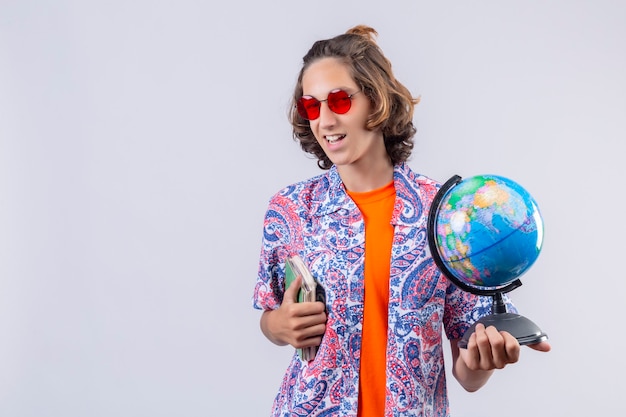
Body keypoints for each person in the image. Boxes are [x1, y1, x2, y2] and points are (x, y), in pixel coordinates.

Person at [252, 25, 550, 417]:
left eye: (339, 101)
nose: (323, 121)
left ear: (375, 101)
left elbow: (468, 368)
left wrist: (482, 361)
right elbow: (270, 315)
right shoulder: (291, 208)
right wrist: (278, 326)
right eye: (312, 106)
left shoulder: (447, 213)